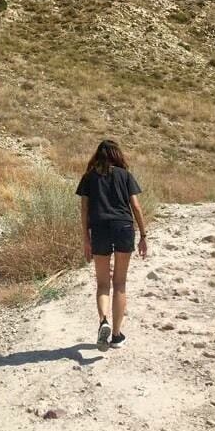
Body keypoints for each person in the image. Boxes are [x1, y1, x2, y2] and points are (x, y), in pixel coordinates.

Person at [76, 139, 147, 350]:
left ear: (97, 156)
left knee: (103, 284)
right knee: (120, 284)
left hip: (99, 229)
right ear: (117, 155)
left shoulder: (88, 178)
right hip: (124, 227)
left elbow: (84, 211)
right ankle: (116, 335)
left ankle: (103, 321)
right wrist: (143, 235)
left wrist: (86, 238)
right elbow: (136, 206)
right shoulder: (125, 175)